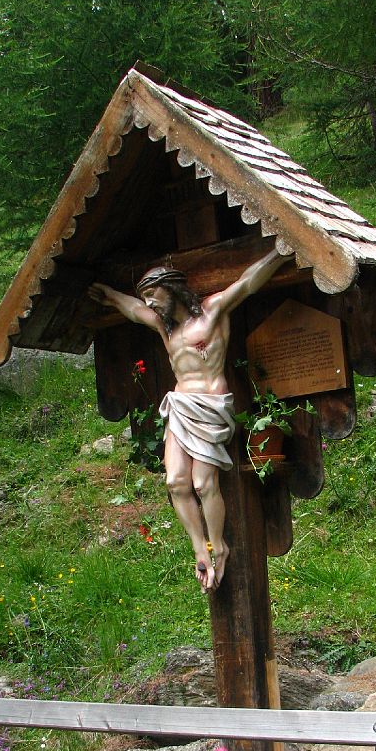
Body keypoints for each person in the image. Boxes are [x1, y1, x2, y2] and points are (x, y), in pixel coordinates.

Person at [88, 247, 289, 593]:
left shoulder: (212, 312)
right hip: (180, 406)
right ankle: (200, 549)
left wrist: (279, 254)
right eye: (146, 297)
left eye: (154, 294)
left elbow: (246, 283)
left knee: (203, 484)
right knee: (176, 482)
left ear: (172, 289)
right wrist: (109, 295)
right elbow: (134, 311)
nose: (150, 303)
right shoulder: (165, 329)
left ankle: (218, 546)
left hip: (210, 407)